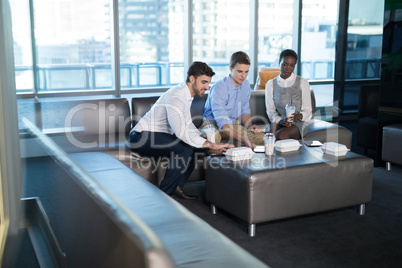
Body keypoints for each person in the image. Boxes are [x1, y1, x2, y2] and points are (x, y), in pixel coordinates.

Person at [129, 62, 233, 199]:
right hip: (141, 136)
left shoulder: (187, 95)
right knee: (184, 149)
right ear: (192, 79)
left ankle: (178, 185)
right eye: (204, 82)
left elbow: (187, 124)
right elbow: (180, 131)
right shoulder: (176, 96)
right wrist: (210, 144)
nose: (207, 87)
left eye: (208, 83)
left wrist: (201, 138)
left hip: (158, 135)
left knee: (198, 148)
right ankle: (164, 196)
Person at [201, 51, 264, 149]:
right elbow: (222, 123)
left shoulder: (246, 85)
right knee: (213, 141)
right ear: (231, 68)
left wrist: (249, 126)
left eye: (246, 72)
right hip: (212, 125)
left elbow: (244, 110)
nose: (243, 76)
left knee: (263, 139)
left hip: (233, 125)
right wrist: (243, 139)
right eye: (239, 71)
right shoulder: (219, 88)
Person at [265, 49, 312, 140]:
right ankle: (270, 154)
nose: (288, 68)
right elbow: (271, 111)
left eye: (292, 65)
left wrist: (299, 116)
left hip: (298, 121)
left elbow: (308, 109)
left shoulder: (303, 82)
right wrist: (280, 121)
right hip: (280, 120)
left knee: (281, 136)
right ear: (279, 62)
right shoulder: (270, 84)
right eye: (284, 64)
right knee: (269, 135)